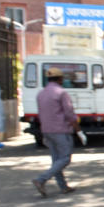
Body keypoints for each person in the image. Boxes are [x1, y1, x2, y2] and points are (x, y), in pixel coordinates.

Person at [31, 67, 79, 196]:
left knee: (56, 160)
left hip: (46, 130)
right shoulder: (61, 93)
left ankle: (63, 186)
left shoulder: (41, 94)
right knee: (65, 158)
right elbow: (69, 113)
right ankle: (41, 179)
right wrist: (77, 129)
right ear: (60, 79)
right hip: (61, 130)